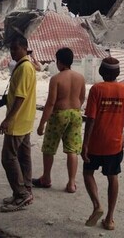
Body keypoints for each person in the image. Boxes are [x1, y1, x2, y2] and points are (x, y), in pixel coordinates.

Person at [81, 56, 124, 231]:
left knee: (88, 173)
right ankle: (110, 219)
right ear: (117, 73)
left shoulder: (97, 89)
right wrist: (115, 124)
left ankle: (97, 205)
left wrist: (85, 144)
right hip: (114, 144)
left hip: (96, 143)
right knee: (113, 178)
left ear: (101, 72)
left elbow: (91, 119)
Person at [33, 47, 86, 193]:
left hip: (59, 114)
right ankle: (71, 183)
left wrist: (41, 123)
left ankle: (46, 178)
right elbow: (81, 98)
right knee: (72, 150)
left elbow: (50, 103)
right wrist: (73, 109)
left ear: (60, 62)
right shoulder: (80, 78)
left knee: (49, 147)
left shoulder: (56, 79)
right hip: (75, 114)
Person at [0, 34, 37, 212]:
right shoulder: (26, 66)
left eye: (15, 49)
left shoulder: (24, 68)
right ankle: (26, 190)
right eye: (10, 49)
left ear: (24, 48)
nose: (12, 52)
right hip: (26, 119)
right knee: (23, 156)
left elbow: (20, 97)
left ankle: (21, 194)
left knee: (8, 157)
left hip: (18, 120)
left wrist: (8, 119)